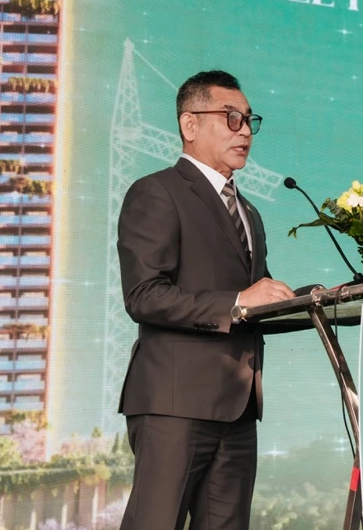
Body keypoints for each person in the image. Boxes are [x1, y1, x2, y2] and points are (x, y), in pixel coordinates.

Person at [116, 70, 297, 530]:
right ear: (190, 124)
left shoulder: (249, 212)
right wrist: (236, 302)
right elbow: (144, 295)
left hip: (238, 408)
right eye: (231, 117)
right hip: (175, 403)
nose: (244, 131)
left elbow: (259, 300)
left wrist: (323, 299)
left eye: (249, 120)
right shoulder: (157, 192)